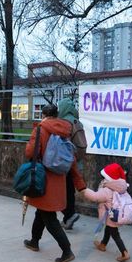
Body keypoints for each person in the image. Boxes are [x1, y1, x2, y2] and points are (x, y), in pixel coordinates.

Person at [22, 103, 87, 262]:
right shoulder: (64, 131)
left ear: (43, 114)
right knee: (41, 212)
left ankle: (67, 250)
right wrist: (80, 184)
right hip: (59, 182)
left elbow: (30, 152)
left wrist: (30, 144)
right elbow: (71, 159)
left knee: (49, 218)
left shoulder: (40, 129)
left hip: (43, 181)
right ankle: (34, 241)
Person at [81, 163, 131, 262]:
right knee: (108, 229)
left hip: (110, 214)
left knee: (114, 234)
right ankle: (103, 244)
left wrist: (84, 190)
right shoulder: (120, 188)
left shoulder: (107, 189)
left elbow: (95, 196)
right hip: (115, 214)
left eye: (104, 177)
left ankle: (124, 252)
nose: (102, 179)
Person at [57, 98, 87, 230]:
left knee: (59, 190)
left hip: (64, 162)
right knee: (69, 190)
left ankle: (69, 214)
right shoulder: (77, 121)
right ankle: (68, 218)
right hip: (74, 163)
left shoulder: (64, 122)